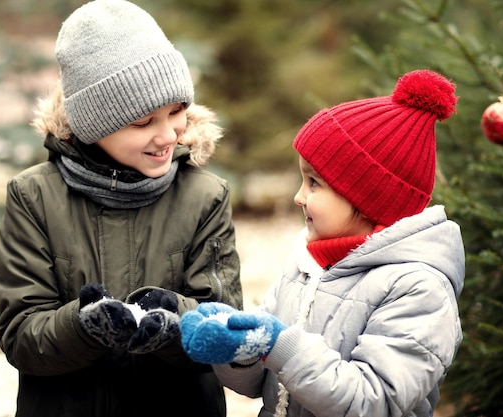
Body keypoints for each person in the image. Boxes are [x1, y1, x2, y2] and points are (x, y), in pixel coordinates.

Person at [0, 1, 242, 416]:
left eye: (176, 111)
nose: (167, 135)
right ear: (95, 125)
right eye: (143, 122)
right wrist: (84, 326)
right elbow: (21, 335)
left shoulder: (205, 196)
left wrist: (174, 323)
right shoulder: (33, 196)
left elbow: (224, 330)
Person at [180, 69, 465, 417]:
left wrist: (279, 344)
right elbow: (261, 383)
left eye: (314, 183)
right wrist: (238, 347)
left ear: (369, 197)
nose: (299, 196)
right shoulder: (308, 262)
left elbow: (370, 401)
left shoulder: (418, 289)